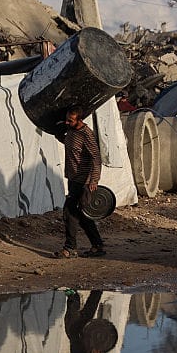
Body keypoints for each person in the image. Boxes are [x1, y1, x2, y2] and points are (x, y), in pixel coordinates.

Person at [54, 109, 105, 259]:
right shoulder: (71, 131)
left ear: (80, 120)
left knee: (69, 212)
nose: (67, 123)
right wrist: (59, 136)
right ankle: (97, 245)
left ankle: (70, 248)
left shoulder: (86, 134)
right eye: (67, 120)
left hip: (82, 181)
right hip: (72, 177)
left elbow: (96, 158)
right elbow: (71, 144)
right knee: (82, 214)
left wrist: (93, 180)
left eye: (71, 120)